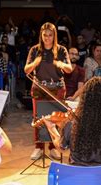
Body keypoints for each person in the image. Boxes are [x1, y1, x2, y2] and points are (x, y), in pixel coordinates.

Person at [24, 22, 72, 161]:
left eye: (50, 35)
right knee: (38, 118)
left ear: (54, 36)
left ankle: (53, 147)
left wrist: (60, 64)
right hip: (39, 88)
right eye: (45, 35)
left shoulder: (61, 50)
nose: (47, 38)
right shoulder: (35, 50)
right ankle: (39, 147)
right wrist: (35, 63)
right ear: (41, 35)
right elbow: (26, 70)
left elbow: (69, 69)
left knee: (55, 118)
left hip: (57, 88)